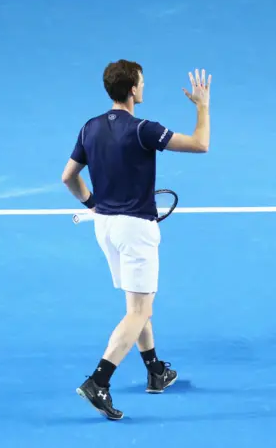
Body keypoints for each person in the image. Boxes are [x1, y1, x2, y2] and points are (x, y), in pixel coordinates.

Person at [61, 60, 212, 419]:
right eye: (141, 82)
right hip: (136, 231)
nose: (143, 87)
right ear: (132, 89)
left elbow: (68, 177)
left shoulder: (89, 129)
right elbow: (200, 144)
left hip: (106, 228)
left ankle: (155, 371)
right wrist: (203, 107)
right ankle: (99, 380)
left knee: (137, 304)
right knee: (140, 309)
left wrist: (94, 204)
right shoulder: (144, 129)